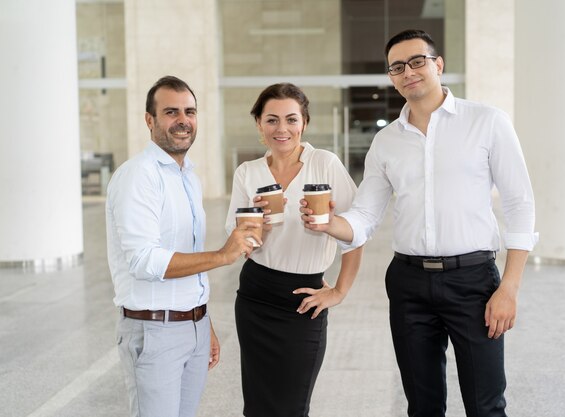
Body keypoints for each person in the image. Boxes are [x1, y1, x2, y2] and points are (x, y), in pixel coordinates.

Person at [301, 29, 538, 417]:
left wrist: (509, 287)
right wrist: (328, 223)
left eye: (417, 61)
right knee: (422, 406)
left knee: (486, 405)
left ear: (438, 65)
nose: (408, 71)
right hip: (409, 283)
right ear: (391, 77)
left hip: (474, 281)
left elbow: (520, 205)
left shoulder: (488, 122)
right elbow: (365, 216)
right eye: (397, 67)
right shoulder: (387, 141)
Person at [106, 75, 258, 417]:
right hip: (154, 331)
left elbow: (188, 258)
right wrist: (223, 255)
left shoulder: (188, 175)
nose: (183, 120)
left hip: (192, 327)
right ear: (150, 120)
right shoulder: (139, 175)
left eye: (190, 111)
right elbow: (145, 261)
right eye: (171, 112)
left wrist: (203, 323)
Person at [225, 83, 364, 417]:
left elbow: (357, 230)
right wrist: (258, 229)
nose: (282, 129)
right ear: (259, 124)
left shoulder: (325, 163)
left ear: (304, 122)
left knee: (291, 405)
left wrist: (340, 291)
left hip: (304, 298)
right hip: (256, 295)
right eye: (271, 120)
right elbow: (236, 238)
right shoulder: (248, 172)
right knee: (257, 406)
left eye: (291, 119)